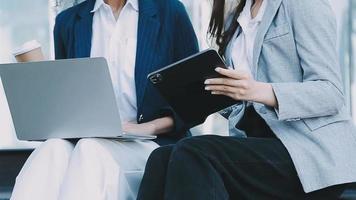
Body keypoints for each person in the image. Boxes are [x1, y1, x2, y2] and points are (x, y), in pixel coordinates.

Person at [137, 0, 356, 199]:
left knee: (194, 153)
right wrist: (215, 93)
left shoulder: (301, 4)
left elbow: (331, 93)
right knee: (161, 158)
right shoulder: (239, 15)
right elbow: (245, 98)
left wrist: (257, 90)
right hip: (259, 143)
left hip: (308, 152)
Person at [10, 0, 198, 199]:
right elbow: (67, 99)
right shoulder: (68, 21)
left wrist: (148, 127)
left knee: (90, 151)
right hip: (85, 138)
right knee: (50, 150)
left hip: (150, 143)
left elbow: (193, 97)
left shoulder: (169, 12)